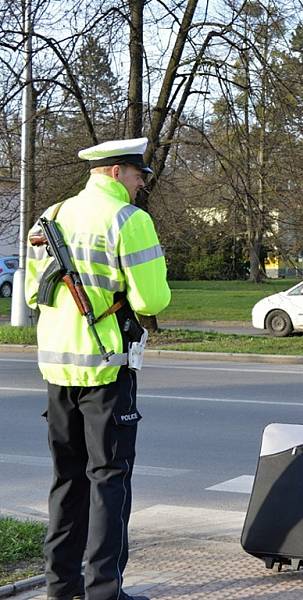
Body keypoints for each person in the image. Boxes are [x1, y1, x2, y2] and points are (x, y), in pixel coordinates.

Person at [24, 138, 170, 600]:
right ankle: (104, 591)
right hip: (106, 368)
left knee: (66, 480)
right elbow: (152, 300)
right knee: (108, 479)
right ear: (113, 172)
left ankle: (60, 589)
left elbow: (31, 293)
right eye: (136, 174)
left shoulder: (50, 216)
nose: (140, 183)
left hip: (56, 366)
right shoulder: (129, 220)